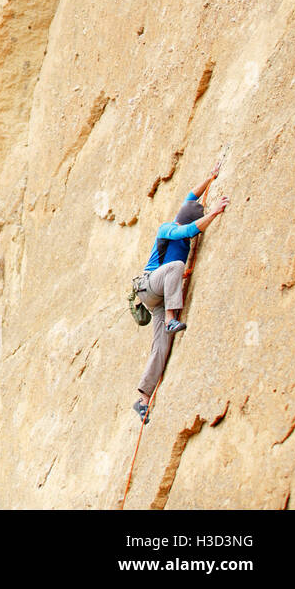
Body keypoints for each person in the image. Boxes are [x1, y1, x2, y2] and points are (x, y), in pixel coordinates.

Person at [132, 161, 229, 422]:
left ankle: (142, 398)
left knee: (161, 346)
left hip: (158, 297)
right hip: (149, 286)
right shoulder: (169, 229)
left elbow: (191, 196)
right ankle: (173, 319)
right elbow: (188, 228)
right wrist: (216, 213)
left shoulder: (181, 229)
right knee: (176, 265)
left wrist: (210, 177)